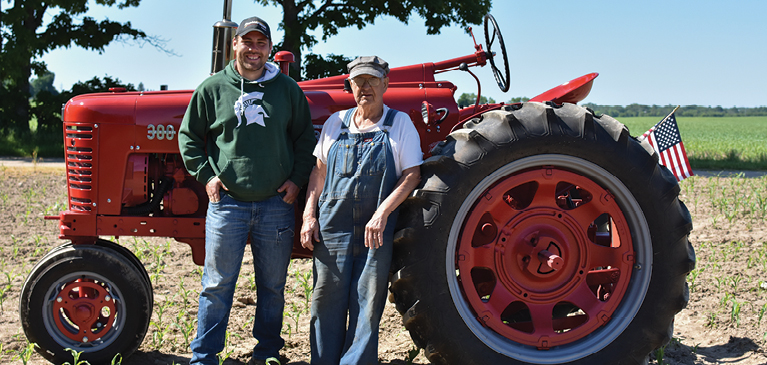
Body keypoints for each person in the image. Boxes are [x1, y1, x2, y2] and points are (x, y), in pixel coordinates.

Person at [178, 16, 316, 365]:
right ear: (234, 44)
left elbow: (304, 140)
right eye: (248, 42)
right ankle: (205, 356)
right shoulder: (212, 88)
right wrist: (208, 176)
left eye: (261, 43)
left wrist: (296, 181)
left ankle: (267, 353)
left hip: (276, 205)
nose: (254, 50)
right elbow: (189, 138)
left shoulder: (287, 90)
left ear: (269, 48)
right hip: (228, 205)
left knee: (272, 287)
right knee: (216, 285)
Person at [300, 56, 422, 365]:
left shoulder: (399, 123)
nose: (365, 87)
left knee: (366, 302)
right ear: (350, 86)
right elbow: (319, 173)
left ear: (385, 83)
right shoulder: (335, 123)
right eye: (358, 81)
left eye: (372, 80)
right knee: (324, 300)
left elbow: (412, 175)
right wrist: (308, 216)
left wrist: (381, 214)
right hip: (332, 228)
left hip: (375, 232)